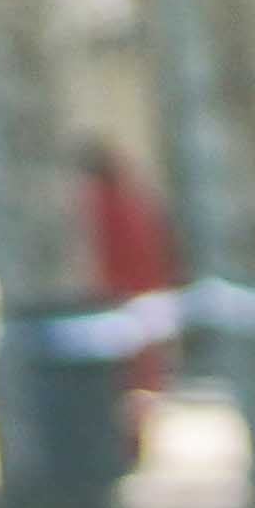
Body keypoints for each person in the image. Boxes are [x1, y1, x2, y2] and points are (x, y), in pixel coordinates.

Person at [73, 139, 181, 415]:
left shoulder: (102, 203)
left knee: (131, 381)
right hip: (141, 296)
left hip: (121, 299)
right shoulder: (132, 199)